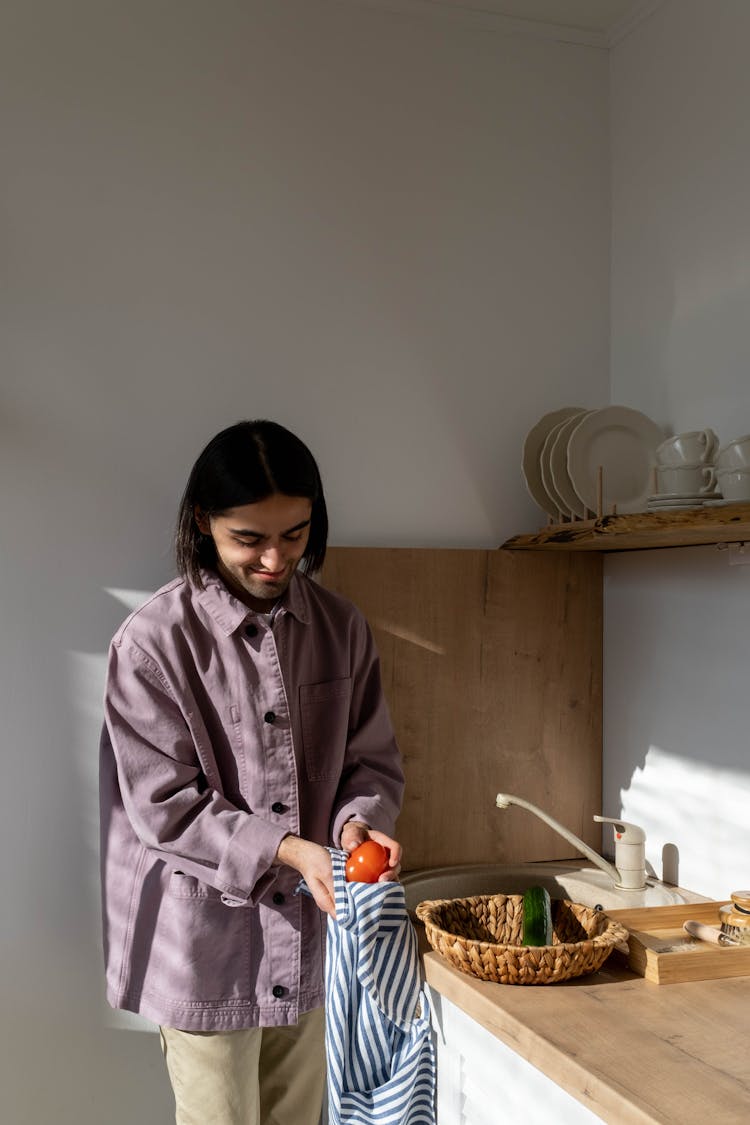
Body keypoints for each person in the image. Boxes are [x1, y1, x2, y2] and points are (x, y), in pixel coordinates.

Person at [99, 420, 405, 1125]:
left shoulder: (341, 627)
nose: (275, 558)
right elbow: (164, 805)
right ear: (204, 522)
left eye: (295, 534)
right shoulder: (152, 642)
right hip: (204, 945)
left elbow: (369, 757)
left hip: (307, 942)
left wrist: (360, 822)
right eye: (250, 538)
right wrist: (287, 849)